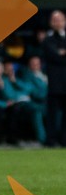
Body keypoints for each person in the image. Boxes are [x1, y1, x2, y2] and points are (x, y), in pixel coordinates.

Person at [43, 10, 66, 146]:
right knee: (52, 114)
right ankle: (50, 140)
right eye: (55, 20)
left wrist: (61, 53)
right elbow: (54, 56)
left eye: (60, 20)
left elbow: (58, 55)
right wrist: (60, 54)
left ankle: (64, 140)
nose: (57, 23)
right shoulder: (48, 40)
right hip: (55, 84)